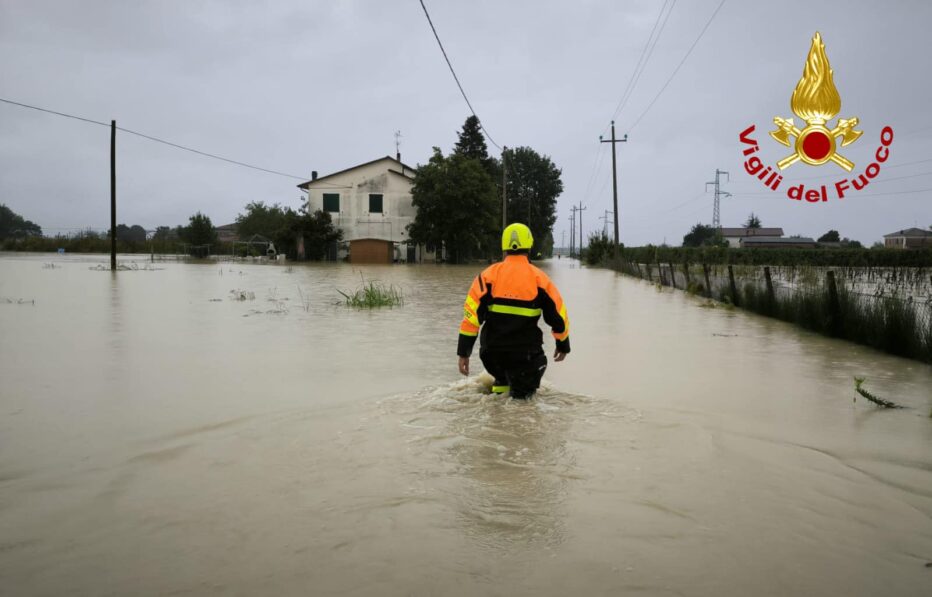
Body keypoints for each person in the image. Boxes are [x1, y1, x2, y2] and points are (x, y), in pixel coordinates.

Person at [456, 223, 570, 399]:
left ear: (504, 247)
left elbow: (471, 318)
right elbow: (558, 316)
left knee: (501, 384)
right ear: (529, 246)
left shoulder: (486, 277)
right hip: (526, 354)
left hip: (492, 353)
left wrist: (464, 352)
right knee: (522, 402)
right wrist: (563, 344)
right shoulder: (540, 279)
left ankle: (497, 409)